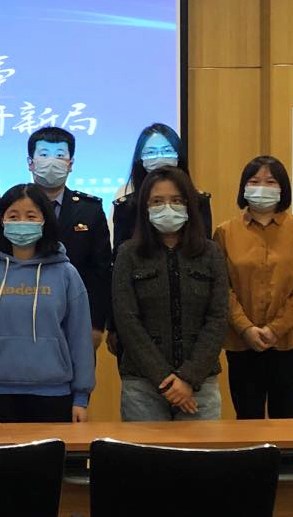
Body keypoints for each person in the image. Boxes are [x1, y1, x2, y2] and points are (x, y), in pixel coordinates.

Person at [0, 184, 95, 423]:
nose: (22, 222)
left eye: (31, 216)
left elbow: (80, 338)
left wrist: (81, 397)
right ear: (2, 220)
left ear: (45, 220)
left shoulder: (66, 274)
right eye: (14, 216)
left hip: (54, 394)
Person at [112, 166, 228, 421]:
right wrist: (165, 380)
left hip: (199, 385)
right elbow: (127, 321)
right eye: (157, 201)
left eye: (176, 200)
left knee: (203, 450)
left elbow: (218, 318)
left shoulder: (211, 253)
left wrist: (188, 378)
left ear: (189, 205)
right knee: (144, 450)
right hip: (143, 386)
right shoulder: (128, 254)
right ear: (145, 208)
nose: (167, 207)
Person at [214, 156, 293, 422]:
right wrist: (245, 328)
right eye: (254, 181)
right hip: (241, 342)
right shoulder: (225, 232)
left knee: (286, 418)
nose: (262, 187)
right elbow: (221, 288)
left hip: (287, 341)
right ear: (243, 188)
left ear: (283, 188)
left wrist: (275, 329)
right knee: (248, 419)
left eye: (270, 182)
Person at [107, 123, 212, 354]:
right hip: (138, 318)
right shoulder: (126, 206)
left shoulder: (199, 202)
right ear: (139, 159)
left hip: (191, 318)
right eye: (151, 152)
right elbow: (118, 271)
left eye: (166, 150)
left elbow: (205, 262)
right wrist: (113, 326)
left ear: (179, 155)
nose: (159, 158)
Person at [26, 126, 112, 348]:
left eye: (59, 156)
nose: (51, 162)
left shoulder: (90, 209)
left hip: (77, 318)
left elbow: (101, 271)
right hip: (23, 314)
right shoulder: (13, 207)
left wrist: (97, 324)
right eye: (44, 155)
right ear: (30, 162)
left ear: (70, 164)